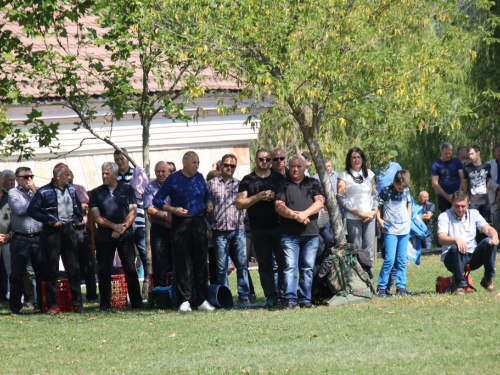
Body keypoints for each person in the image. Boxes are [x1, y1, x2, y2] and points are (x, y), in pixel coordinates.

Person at [153, 151, 215, 312]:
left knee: (201, 263)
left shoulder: (200, 178)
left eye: (198, 163)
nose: (196, 166)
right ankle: (184, 300)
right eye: (194, 162)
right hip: (181, 223)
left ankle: (202, 300)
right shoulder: (173, 179)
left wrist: (208, 203)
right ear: (185, 162)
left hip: (199, 222)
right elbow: (157, 200)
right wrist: (172, 209)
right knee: (183, 263)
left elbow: (207, 196)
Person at [27, 163, 84, 315]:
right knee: (51, 269)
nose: (69, 178)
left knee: (73, 268)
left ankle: (78, 304)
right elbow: (32, 210)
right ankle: (52, 306)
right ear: (58, 176)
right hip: (52, 232)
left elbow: (77, 206)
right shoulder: (44, 191)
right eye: (67, 175)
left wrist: (77, 218)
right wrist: (48, 219)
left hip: (68, 230)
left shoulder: (71, 189)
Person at [89, 162, 143, 311]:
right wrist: (114, 226)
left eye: (107, 173)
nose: (104, 176)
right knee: (104, 270)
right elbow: (96, 217)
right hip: (104, 237)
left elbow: (133, 211)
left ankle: (136, 302)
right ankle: (105, 304)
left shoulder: (128, 189)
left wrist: (122, 228)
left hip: (125, 236)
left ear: (115, 174)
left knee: (130, 269)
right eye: (103, 173)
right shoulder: (96, 193)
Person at [236, 148, 286, 307]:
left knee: (283, 263)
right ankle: (270, 297)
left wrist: (274, 197)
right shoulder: (247, 180)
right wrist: (257, 197)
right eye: (261, 159)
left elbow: (287, 200)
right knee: (264, 265)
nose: (264, 162)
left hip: (279, 227)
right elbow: (239, 203)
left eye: (267, 159)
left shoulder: (279, 178)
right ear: (255, 160)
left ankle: (284, 294)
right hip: (257, 228)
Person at [275, 156, 324, 309]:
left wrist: (305, 214)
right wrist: (296, 216)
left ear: (304, 167)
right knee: (290, 267)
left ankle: (305, 300)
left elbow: (320, 202)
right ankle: (290, 299)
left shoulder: (313, 183)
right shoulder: (283, 184)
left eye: (298, 166)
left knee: (307, 268)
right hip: (289, 235)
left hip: (311, 234)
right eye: (292, 166)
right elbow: (278, 206)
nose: (295, 169)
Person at [207, 154, 251, 303]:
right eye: (226, 165)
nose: (229, 168)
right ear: (220, 166)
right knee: (221, 268)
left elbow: (245, 203)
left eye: (232, 166)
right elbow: (206, 204)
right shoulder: (211, 184)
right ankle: (223, 297)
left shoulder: (240, 184)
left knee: (242, 266)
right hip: (219, 232)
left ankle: (244, 296)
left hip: (238, 230)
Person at [437, 191, 498, 294]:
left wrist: (494, 236)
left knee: (489, 242)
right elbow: (441, 238)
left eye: (463, 206)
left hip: (471, 256)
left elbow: (487, 228)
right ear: (452, 204)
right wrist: (456, 239)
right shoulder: (444, 216)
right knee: (456, 247)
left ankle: (487, 280)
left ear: (468, 204)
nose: (460, 209)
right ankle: (460, 285)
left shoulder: (474, 213)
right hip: (452, 257)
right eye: (457, 206)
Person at [8, 167, 45, 315]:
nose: (29, 179)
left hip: (38, 238)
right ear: (17, 179)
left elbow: (46, 208)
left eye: (31, 176)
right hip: (20, 239)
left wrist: (36, 193)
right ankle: (15, 308)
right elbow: (20, 209)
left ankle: (42, 305)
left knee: (41, 274)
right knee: (17, 274)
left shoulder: (38, 192)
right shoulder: (13, 193)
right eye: (25, 177)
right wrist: (37, 201)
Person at [337, 147, 378, 276]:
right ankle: (358, 282)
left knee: (369, 250)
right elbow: (341, 198)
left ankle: (370, 282)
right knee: (356, 250)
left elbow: (375, 195)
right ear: (349, 160)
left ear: (362, 159)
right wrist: (359, 214)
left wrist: (373, 212)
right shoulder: (344, 175)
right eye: (353, 157)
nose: (356, 160)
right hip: (352, 218)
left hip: (369, 218)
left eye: (359, 157)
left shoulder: (369, 174)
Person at [113, 149, 149, 278]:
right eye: (117, 160)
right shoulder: (114, 177)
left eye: (122, 159)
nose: (120, 162)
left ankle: (151, 283)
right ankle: (130, 288)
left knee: (144, 253)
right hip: (121, 222)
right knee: (127, 258)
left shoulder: (137, 175)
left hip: (139, 221)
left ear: (127, 158)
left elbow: (146, 195)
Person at [376, 170, 412, 297]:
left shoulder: (406, 190)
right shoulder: (385, 191)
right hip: (390, 230)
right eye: (398, 187)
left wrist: (408, 218)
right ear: (394, 182)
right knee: (390, 259)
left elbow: (409, 204)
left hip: (404, 229)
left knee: (402, 259)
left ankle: (401, 286)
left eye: (403, 188)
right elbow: (378, 207)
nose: (401, 190)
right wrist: (379, 219)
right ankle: (381, 287)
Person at [68, 171, 98, 303]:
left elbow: (86, 206)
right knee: (71, 265)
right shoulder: (58, 192)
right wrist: (76, 208)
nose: (67, 177)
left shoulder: (79, 188)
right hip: (66, 230)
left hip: (81, 229)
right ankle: (75, 297)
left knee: (88, 264)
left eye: (69, 175)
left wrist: (67, 209)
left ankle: (92, 295)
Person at [143, 161, 173, 287]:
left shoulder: (175, 186)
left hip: (175, 228)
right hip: (158, 228)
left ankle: (175, 292)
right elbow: (149, 209)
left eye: (163, 171)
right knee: (159, 262)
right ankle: (160, 292)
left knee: (174, 260)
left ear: (169, 172)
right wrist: (167, 217)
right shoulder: (150, 187)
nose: (160, 174)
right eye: (157, 172)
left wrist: (172, 220)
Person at [460, 145, 491, 223]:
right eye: (469, 154)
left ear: (478, 153)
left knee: (485, 223)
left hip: (485, 200)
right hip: (473, 200)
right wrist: (465, 197)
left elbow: (488, 181)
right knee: (473, 223)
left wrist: (489, 196)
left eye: (472, 153)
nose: (470, 156)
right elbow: (465, 183)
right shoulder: (467, 168)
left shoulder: (487, 166)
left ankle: (484, 236)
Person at [431, 142, 463, 213]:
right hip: (443, 197)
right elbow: (434, 183)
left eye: (450, 153)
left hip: (458, 196)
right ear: (441, 152)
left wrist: (458, 194)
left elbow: (463, 178)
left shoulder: (457, 161)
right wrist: (448, 197)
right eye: (446, 153)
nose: (448, 155)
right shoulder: (436, 165)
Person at [0, 172, 11, 304]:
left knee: (11, 271)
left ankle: (13, 298)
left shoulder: (10, 197)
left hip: (8, 239)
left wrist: (9, 235)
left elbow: (16, 218)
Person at [488, 144, 500, 235]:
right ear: (495, 153)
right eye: (498, 151)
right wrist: (497, 187)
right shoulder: (489, 164)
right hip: (494, 195)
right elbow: (487, 179)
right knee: (495, 219)